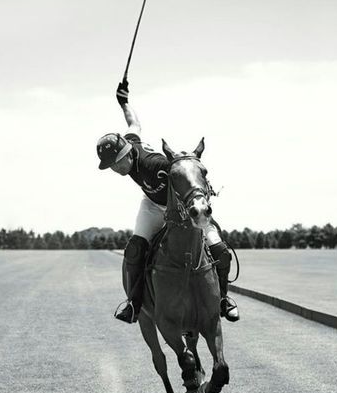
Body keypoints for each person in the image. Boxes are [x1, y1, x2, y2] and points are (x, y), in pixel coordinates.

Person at [96, 79, 239, 324]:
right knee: (135, 249)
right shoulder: (132, 140)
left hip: (182, 206)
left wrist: (201, 197)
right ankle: (134, 304)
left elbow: (186, 172)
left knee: (219, 250)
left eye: (118, 161)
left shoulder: (157, 164)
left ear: (127, 151)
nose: (118, 168)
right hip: (152, 204)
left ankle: (224, 299)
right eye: (112, 166)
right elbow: (134, 123)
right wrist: (124, 102)